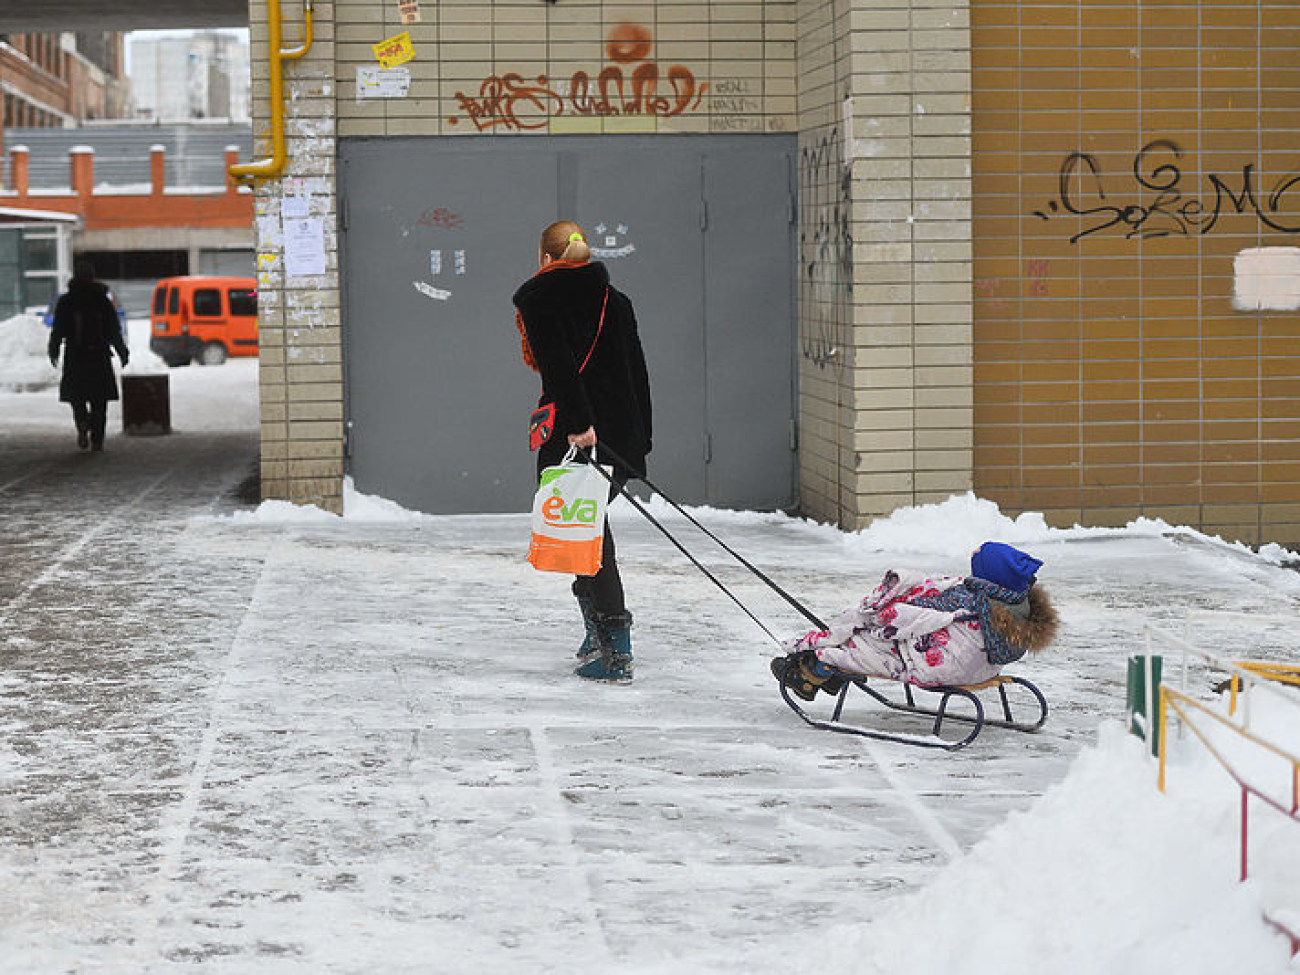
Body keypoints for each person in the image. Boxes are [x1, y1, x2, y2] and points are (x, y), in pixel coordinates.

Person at [513, 220, 653, 684]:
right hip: (619, 434)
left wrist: (578, 427)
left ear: (545, 257)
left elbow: (558, 371)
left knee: (590, 538)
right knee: (584, 532)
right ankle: (598, 634)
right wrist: (640, 439)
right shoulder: (618, 300)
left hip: (580, 436)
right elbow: (637, 372)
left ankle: (615, 646)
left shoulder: (541, 301)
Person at [772, 541, 1058, 700]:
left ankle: (815, 669)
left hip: (949, 668)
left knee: (869, 638)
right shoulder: (1016, 604)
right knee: (880, 639)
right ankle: (830, 673)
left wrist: (875, 613)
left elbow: (898, 620)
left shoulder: (966, 602)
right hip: (982, 668)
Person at [48, 260, 130, 452]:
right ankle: (97, 439)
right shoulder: (101, 300)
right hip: (98, 356)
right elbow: (113, 329)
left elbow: (58, 330)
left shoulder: (67, 301)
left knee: (77, 397)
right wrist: (122, 351)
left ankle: (83, 423)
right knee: (99, 400)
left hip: (75, 355)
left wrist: (54, 349)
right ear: (93, 277)